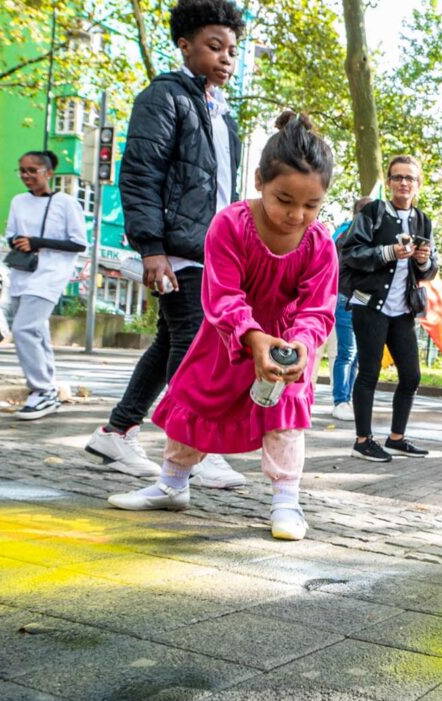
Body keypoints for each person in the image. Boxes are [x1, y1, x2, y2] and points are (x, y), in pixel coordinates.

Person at [106, 111, 337, 541]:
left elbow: (317, 308)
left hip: (286, 342)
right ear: (259, 181)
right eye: (284, 200)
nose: (296, 215)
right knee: (195, 402)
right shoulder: (230, 223)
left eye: (311, 205)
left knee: (285, 413)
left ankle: (287, 502)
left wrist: (303, 344)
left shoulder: (321, 242)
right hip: (228, 336)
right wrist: (250, 336)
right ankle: (171, 485)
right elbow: (223, 294)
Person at [83, 0, 246, 490]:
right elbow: (140, 175)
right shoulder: (164, 98)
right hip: (177, 247)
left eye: (232, 51)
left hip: (211, 249)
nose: (226, 59)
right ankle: (195, 447)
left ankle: (116, 430)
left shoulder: (222, 115)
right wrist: (151, 248)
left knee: (170, 339)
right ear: (185, 45)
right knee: (196, 341)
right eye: (214, 47)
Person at [340, 155, 437, 463]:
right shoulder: (374, 211)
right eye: (398, 177)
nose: (403, 183)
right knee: (368, 372)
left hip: (403, 309)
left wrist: (423, 260)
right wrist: (388, 252)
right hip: (369, 304)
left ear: (418, 185)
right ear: (390, 182)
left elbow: (429, 270)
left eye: (410, 178)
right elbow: (351, 252)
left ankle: (396, 437)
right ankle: (362, 440)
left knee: (411, 375)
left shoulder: (423, 220)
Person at [2, 149, 88, 420]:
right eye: (22, 170)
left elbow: (78, 243)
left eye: (32, 170)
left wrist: (38, 242)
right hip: (22, 273)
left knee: (23, 329)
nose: (27, 176)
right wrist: (18, 241)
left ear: (48, 173)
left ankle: (40, 390)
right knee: (36, 331)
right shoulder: (18, 201)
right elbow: (9, 234)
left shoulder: (65, 203)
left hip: (50, 274)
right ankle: (48, 390)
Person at [327, 196, 372, 422]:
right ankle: (340, 400)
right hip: (345, 297)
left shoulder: (363, 235)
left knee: (356, 355)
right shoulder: (348, 235)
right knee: (348, 351)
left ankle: (347, 399)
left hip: (362, 299)